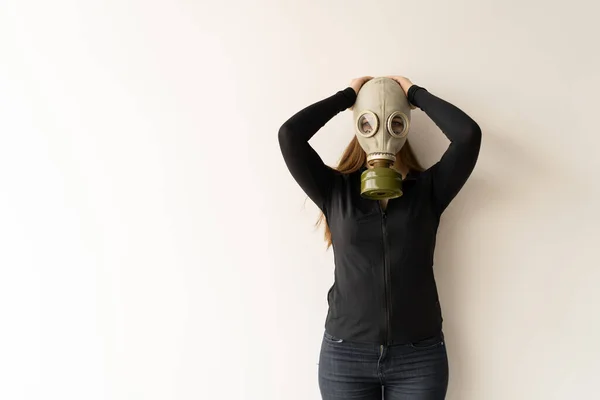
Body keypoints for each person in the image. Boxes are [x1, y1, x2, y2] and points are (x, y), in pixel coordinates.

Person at [278, 75, 481, 400]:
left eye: (395, 122)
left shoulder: (428, 191)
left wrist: (414, 94)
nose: (383, 131)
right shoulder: (335, 191)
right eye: (370, 121)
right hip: (346, 356)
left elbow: (468, 136)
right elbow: (289, 136)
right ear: (360, 126)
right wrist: (348, 96)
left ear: (405, 124)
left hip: (418, 355)